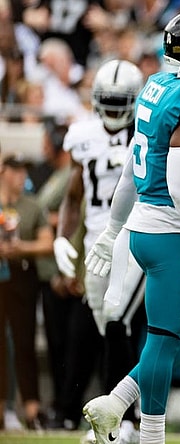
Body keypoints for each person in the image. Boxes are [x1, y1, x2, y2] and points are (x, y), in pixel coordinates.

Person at [80, 9, 180, 444]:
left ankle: (115, 402)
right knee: (163, 341)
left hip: (144, 230)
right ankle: (151, 436)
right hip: (174, 236)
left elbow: (132, 173)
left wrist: (114, 230)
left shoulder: (159, 86)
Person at [52, 58, 146, 443]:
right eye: (107, 99)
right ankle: (128, 418)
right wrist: (62, 236)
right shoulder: (83, 135)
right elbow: (73, 197)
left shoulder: (148, 130)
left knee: (115, 321)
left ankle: (120, 422)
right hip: (95, 245)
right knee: (111, 331)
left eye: (119, 100)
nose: (112, 108)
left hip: (136, 239)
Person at [0, 153, 53, 430]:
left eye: (24, 171)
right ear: (4, 171)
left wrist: (22, 248)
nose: (22, 177)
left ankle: (31, 408)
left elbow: (47, 243)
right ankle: (3, 409)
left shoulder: (32, 205)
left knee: (24, 343)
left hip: (21, 275)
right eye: (16, 171)